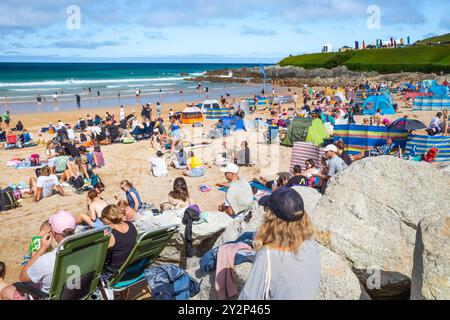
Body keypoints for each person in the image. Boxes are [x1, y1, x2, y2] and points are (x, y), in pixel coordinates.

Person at [239, 187, 320, 300]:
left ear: (272, 220)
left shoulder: (268, 256)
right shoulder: (310, 242)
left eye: (266, 210)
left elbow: (247, 298)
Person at [1, 211, 77, 299]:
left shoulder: (47, 260)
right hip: (79, 293)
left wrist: (42, 249)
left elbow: (23, 277)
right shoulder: (87, 248)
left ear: (54, 233)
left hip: (50, 296)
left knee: (6, 291)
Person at [102, 205, 137, 275]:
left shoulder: (110, 234)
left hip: (118, 272)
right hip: (134, 267)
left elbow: (99, 255)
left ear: (105, 219)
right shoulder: (131, 225)